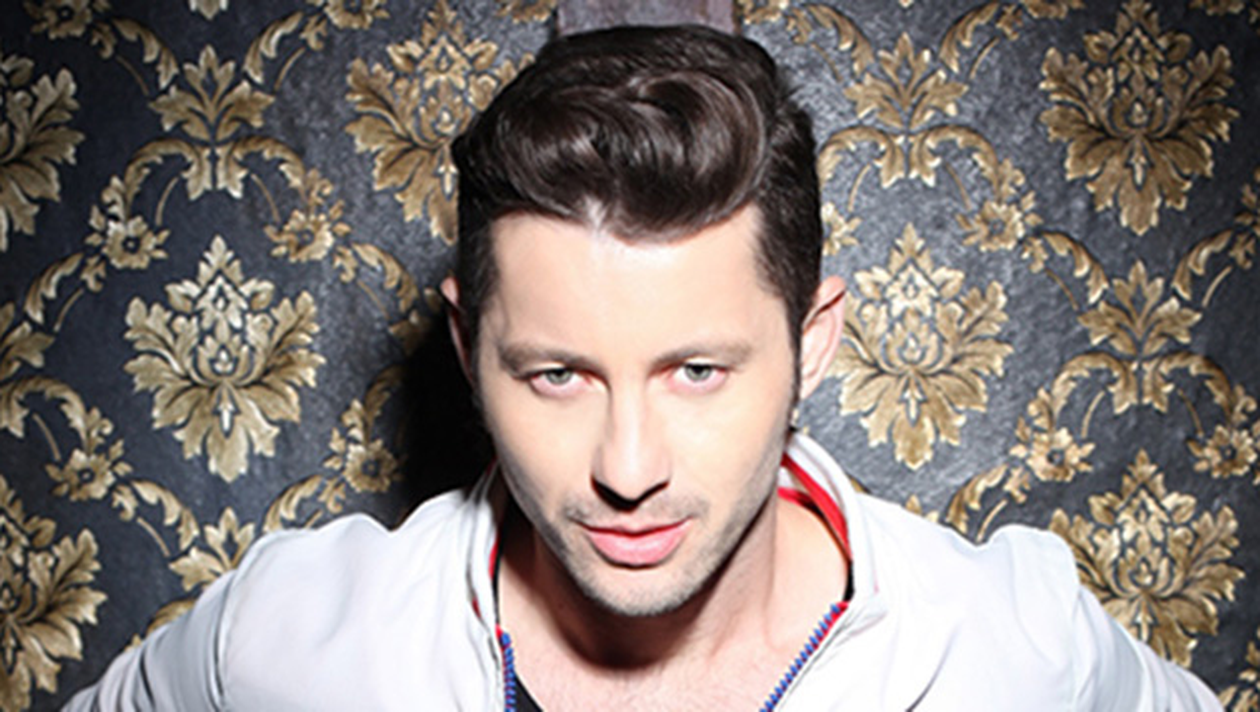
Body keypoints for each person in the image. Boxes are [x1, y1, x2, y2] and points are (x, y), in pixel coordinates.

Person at [67, 24, 1220, 711]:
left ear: (812, 341)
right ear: (467, 350)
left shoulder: (1006, 644)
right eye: (556, 375)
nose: (627, 470)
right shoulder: (296, 638)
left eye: (698, 371)